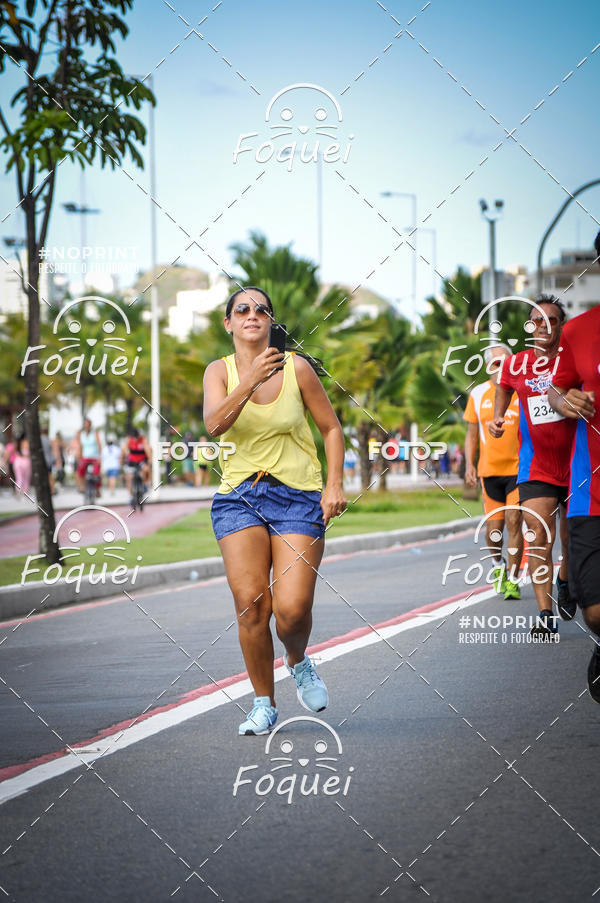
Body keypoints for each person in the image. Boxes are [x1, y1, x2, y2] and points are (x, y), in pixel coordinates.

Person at [203, 286, 346, 736]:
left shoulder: (297, 368)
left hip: (299, 497)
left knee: (293, 609)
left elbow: (331, 429)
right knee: (251, 606)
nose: (251, 315)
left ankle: (298, 659)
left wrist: (335, 485)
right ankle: (263, 703)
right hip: (239, 497)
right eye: (241, 310)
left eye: (260, 310)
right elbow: (214, 425)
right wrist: (248, 380)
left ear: (269, 322)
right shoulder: (218, 372)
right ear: (229, 323)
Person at [490, 295, 576, 637]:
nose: (542, 326)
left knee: (570, 542)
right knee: (539, 536)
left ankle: (566, 577)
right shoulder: (517, 364)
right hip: (536, 465)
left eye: (550, 320)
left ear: (560, 326)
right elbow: (504, 387)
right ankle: (545, 614)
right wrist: (498, 415)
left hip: (577, 464)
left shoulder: (574, 360)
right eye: (536, 321)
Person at [549, 291, 600, 701]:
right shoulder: (578, 330)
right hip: (591, 491)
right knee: (596, 610)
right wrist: (567, 400)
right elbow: (556, 390)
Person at [464, 343, 523, 600]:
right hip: (489, 471)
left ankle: (512, 578)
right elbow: (471, 435)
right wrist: (469, 465)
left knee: (514, 521)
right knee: (495, 529)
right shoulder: (477, 394)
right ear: (488, 366)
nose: (500, 368)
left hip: (519, 470)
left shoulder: (521, 391)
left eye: (505, 362)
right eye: (495, 363)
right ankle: (497, 565)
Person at [76, 418, 102, 497]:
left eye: (87, 424)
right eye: (85, 424)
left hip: (95, 457)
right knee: (80, 471)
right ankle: (82, 487)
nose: (86, 426)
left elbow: (99, 445)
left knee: (96, 474)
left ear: (90, 425)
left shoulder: (95, 433)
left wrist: (100, 457)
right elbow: (80, 446)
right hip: (85, 457)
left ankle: (97, 490)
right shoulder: (81, 434)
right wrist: (79, 457)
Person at [121, 427, 150, 495]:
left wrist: (149, 459)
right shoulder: (128, 440)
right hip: (132, 461)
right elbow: (124, 450)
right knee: (129, 478)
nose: (135, 439)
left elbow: (148, 450)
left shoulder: (143, 440)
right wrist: (123, 460)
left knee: (146, 470)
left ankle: (145, 484)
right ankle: (131, 495)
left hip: (141, 460)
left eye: (136, 437)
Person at [40, 426, 55, 495]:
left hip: (42, 460)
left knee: (43, 476)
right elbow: (52, 450)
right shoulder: (49, 440)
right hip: (49, 460)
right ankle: (52, 489)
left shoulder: (39, 440)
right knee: (50, 475)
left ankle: (45, 490)